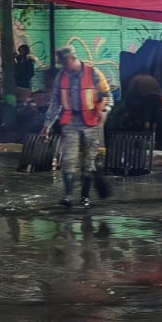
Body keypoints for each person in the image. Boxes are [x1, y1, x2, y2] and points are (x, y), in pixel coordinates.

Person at [43, 45, 114, 208]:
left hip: (91, 122)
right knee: (68, 159)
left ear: (73, 59)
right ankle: (68, 196)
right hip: (70, 122)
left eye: (66, 64)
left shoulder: (93, 73)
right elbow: (55, 103)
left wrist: (105, 110)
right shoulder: (61, 77)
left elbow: (108, 96)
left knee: (89, 161)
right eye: (62, 65)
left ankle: (85, 197)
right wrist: (47, 125)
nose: (65, 68)